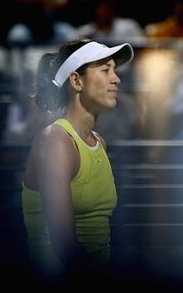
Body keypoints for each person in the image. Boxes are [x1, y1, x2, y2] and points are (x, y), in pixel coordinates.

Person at [21, 38, 134, 280]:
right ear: (76, 80)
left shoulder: (98, 142)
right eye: (105, 70)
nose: (116, 79)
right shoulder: (55, 142)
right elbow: (64, 248)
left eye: (114, 70)